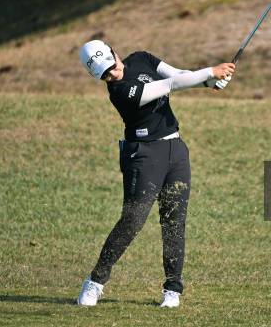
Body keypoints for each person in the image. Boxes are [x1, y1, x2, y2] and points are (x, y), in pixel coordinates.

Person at [76, 39, 235, 308]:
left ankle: (172, 290)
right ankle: (95, 282)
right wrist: (210, 73)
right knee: (132, 221)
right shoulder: (120, 91)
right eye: (104, 74)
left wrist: (209, 82)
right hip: (143, 156)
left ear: (114, 51)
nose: (111, 74)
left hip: (176, 151)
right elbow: (168, 86)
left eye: (111, 66)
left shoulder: (141, 59)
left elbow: (177, 75)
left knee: (174, 222)